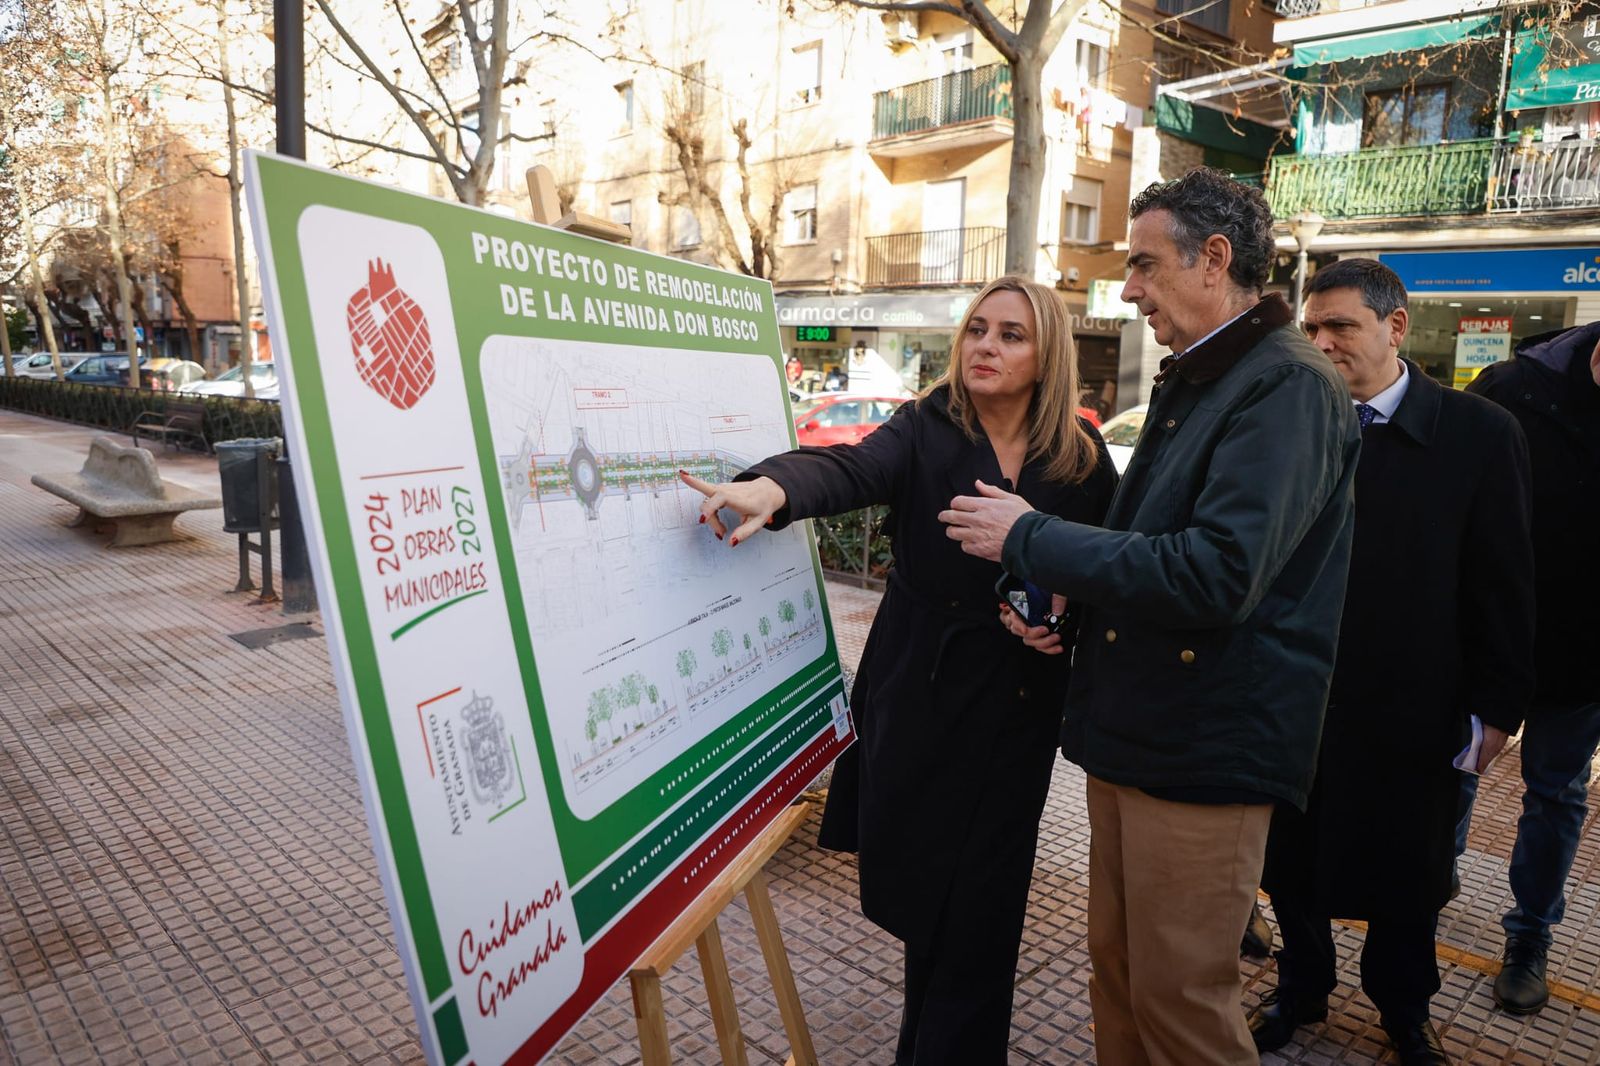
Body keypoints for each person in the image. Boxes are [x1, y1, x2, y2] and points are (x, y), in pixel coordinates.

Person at [939, 167, 1361, 1065]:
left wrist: (1033, 539)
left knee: (1180, 1000)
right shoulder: (1203, 378)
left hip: (1206, 747)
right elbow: (1152, 541)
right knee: (1122, 973)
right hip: (1142, 731)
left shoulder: (1286, 385)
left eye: (1142, 265)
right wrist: (1071, 596)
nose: (1127, 289)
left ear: (1214, 260)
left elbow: (1218, 574)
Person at [681, 275, 1117, 1064]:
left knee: (983, 912)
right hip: (920, 695)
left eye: (1011, 334)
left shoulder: (1081, 461)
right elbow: (849, 471)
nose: (985, 345)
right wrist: (773, 487)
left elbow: (1107, 570)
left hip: (1019, 709)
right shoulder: (924, 427)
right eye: (978, 329)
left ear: (1048, 351)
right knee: (929, 905)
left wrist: (1064, 626)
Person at [1252, 259, 1535, 1065]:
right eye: (1311, 329)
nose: (1322, 342)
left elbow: (1505, 581)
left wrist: (1497, 709)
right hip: (1298, 699)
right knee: (1292, 864)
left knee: (1410, 880)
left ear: (1395, 327)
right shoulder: (1291, 424)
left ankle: (1404, 1013)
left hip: (1416, 706)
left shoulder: (1479, 434)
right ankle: (1301, 990)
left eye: (1340, 326)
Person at [1465, 319, 1600, 1015]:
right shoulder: (1518, 387)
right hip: (1484, 634)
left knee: (1557, 793)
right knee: (1453, 768)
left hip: (1583, 656)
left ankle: (1529, 940)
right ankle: (1424, 887)